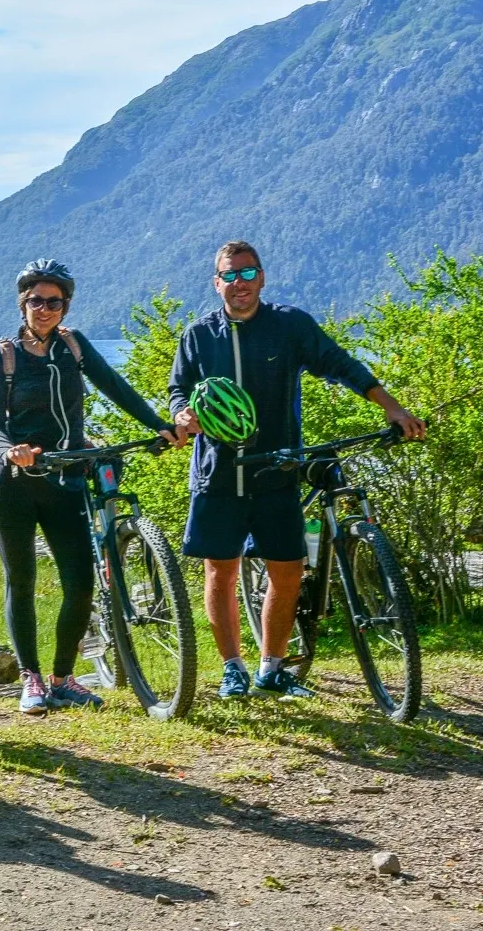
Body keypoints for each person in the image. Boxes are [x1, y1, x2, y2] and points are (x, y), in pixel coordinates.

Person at [167, 241, 426, 701]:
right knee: (220, 572)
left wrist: (392, 408)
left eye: (247, 274)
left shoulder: (289, 326)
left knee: (288, 572)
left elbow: (340, 364)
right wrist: (184, 415)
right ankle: (232, 670)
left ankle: (271, 668)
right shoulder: (199, 335)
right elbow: (178, 391)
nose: (238, 283)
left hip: (278, 470)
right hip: (217, 475)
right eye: (229, 276)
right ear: (216, 283)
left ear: (262, 278)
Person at [0, 260, 187, 715]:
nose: (45, 309)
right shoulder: (5, 355)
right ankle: (31, 679)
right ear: (23, 303)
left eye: (54, 302)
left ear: (65, 305)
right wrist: (8, 449)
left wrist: (160, 425)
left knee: (79, 584)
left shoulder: (74, 347)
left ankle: (62, 679)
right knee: (22, 581)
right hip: (14, 483)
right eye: (36, 300)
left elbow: (116, 387)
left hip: (66, 477)